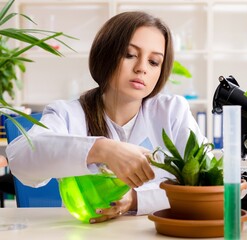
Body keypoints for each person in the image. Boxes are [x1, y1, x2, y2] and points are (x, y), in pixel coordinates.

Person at [6, 11, 205, 223]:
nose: (141, 68)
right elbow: (20, 159)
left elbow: (206, 183)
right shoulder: (68, 114)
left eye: (154, 62)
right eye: (130, 55)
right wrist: (103, 149)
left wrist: (135, 199)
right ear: (106, 54)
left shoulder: (171, 111)